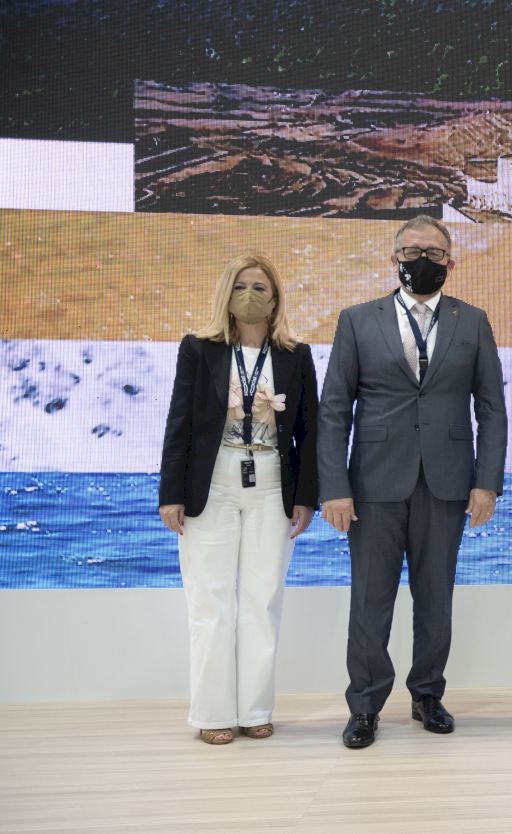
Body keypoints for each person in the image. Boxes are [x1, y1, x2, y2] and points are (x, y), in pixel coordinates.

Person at [319, 214, 507, 748]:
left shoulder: (474, 321)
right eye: (412, 251)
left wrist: (487, 482)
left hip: (447, 484)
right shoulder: (357, 320)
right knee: (369, 602)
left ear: (451, 262)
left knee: (436, 599)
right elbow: (334, 410)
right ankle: (364, 707)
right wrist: (334, 486)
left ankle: (427, 695)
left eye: (434, 252)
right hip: (373, 485)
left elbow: (491, 410)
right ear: (394, 258)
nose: (422, 260)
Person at [158, 253, 318, 745]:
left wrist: (307, 496)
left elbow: (310, 432)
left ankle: (254, 709)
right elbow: (180, 423)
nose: (250, 295)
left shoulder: (296, 355)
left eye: (260, 287)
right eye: (241, 286)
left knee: (262, 600)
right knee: (210, 602)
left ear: (275, 298)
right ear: (227, 295)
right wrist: (171, 493)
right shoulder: (198, 349)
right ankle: (212, 714)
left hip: (272, 485)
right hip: (212, 486)